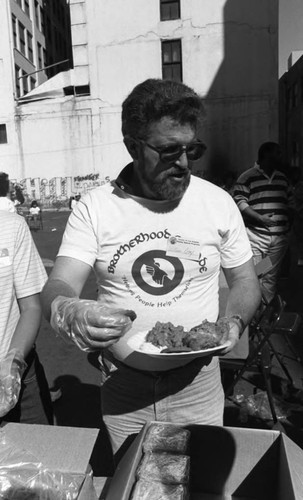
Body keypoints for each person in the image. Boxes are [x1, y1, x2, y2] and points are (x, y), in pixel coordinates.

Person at [41, 78, 261, 456]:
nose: (183, 162)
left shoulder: (217, 202)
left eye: (192, 148)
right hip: (124, 387)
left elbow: (244, 279)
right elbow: (59, 283)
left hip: (199, 383)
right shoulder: (96, 208)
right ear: (132, 145)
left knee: (198, 482)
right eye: (168, 150)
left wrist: (233, 322)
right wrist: (68, 310)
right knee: (136, 481)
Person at [0, 210, 53, 425]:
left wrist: (12, 363)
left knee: (42, 453)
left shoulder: (12, 225)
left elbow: (31, 307)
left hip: (17, 374)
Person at [232, 142, 293, 304]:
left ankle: (264, 313)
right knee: (255, 273)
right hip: (256, 237)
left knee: (270, 276)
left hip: (279, 239)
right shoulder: (247, 176)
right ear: (266, 155)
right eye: (277, 153)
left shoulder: (282, 178)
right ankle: (253, 309)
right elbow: (239, 201)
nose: (280, 156)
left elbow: (290, 202)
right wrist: (259, 218)